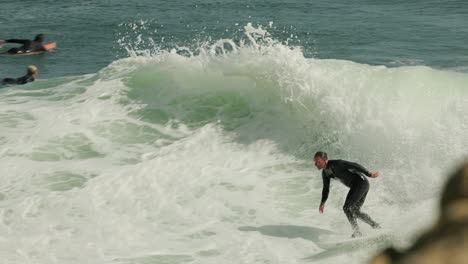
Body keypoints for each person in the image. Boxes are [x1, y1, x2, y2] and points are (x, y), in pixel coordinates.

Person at [314, 151, 381, 237]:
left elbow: (354, 165)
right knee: (355, 211)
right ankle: (375, 225)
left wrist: (369, 174)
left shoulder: (337, 163)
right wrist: (323, 202)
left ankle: (357, 232)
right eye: (315, 162)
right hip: (359, 186)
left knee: (347, 208)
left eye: (318, 161)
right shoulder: (325, 173)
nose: (316, 164)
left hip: (361, 183)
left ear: (325, 160)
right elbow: (326, 189)